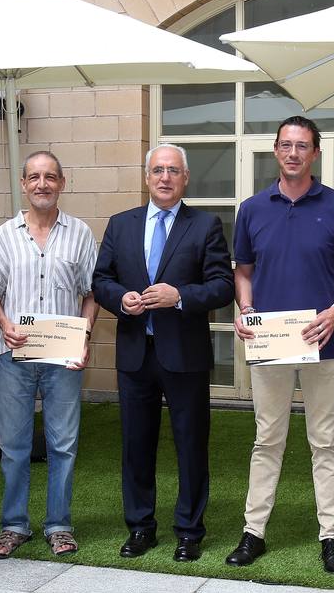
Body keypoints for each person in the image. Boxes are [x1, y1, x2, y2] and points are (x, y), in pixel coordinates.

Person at [227, 116, 334, 574]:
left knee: (324, 442)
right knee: (267, 439)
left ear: (315, 153)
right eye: (285, 145)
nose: (293, 153)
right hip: (270, 343)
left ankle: (331, 538)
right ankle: (253, 533)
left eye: (302, 146)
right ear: (275, 151)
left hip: (324, 342)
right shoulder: (251, 209)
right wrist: (243, 309)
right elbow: (242, 271)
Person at [92, 143, 234, 562]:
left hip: (184, 353)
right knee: (137, 444)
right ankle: (140, 527)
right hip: (136, 353)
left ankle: (190, 531)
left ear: (185, 178)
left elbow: (223, 286)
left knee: (191, 445)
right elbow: (101, 280)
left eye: (173, 170)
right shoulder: (121, 225)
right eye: (158, 170)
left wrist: (180, 296)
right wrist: (121, 299)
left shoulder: (205, 225)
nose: (165, 178)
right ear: (147, 177)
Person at [0, 151, 98, 559]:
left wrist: (83, 337)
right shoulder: (4, 234)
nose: (42, 184)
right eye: (34, 177)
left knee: (63, 444)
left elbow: (91, 293)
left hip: (63, 359)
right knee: (13, 445)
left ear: (62, 183)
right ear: (24, 184)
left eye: (50, 177)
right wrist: (4, 323)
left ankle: (59, 524)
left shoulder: (81, 234)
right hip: (15, 356)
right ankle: (14, 524)